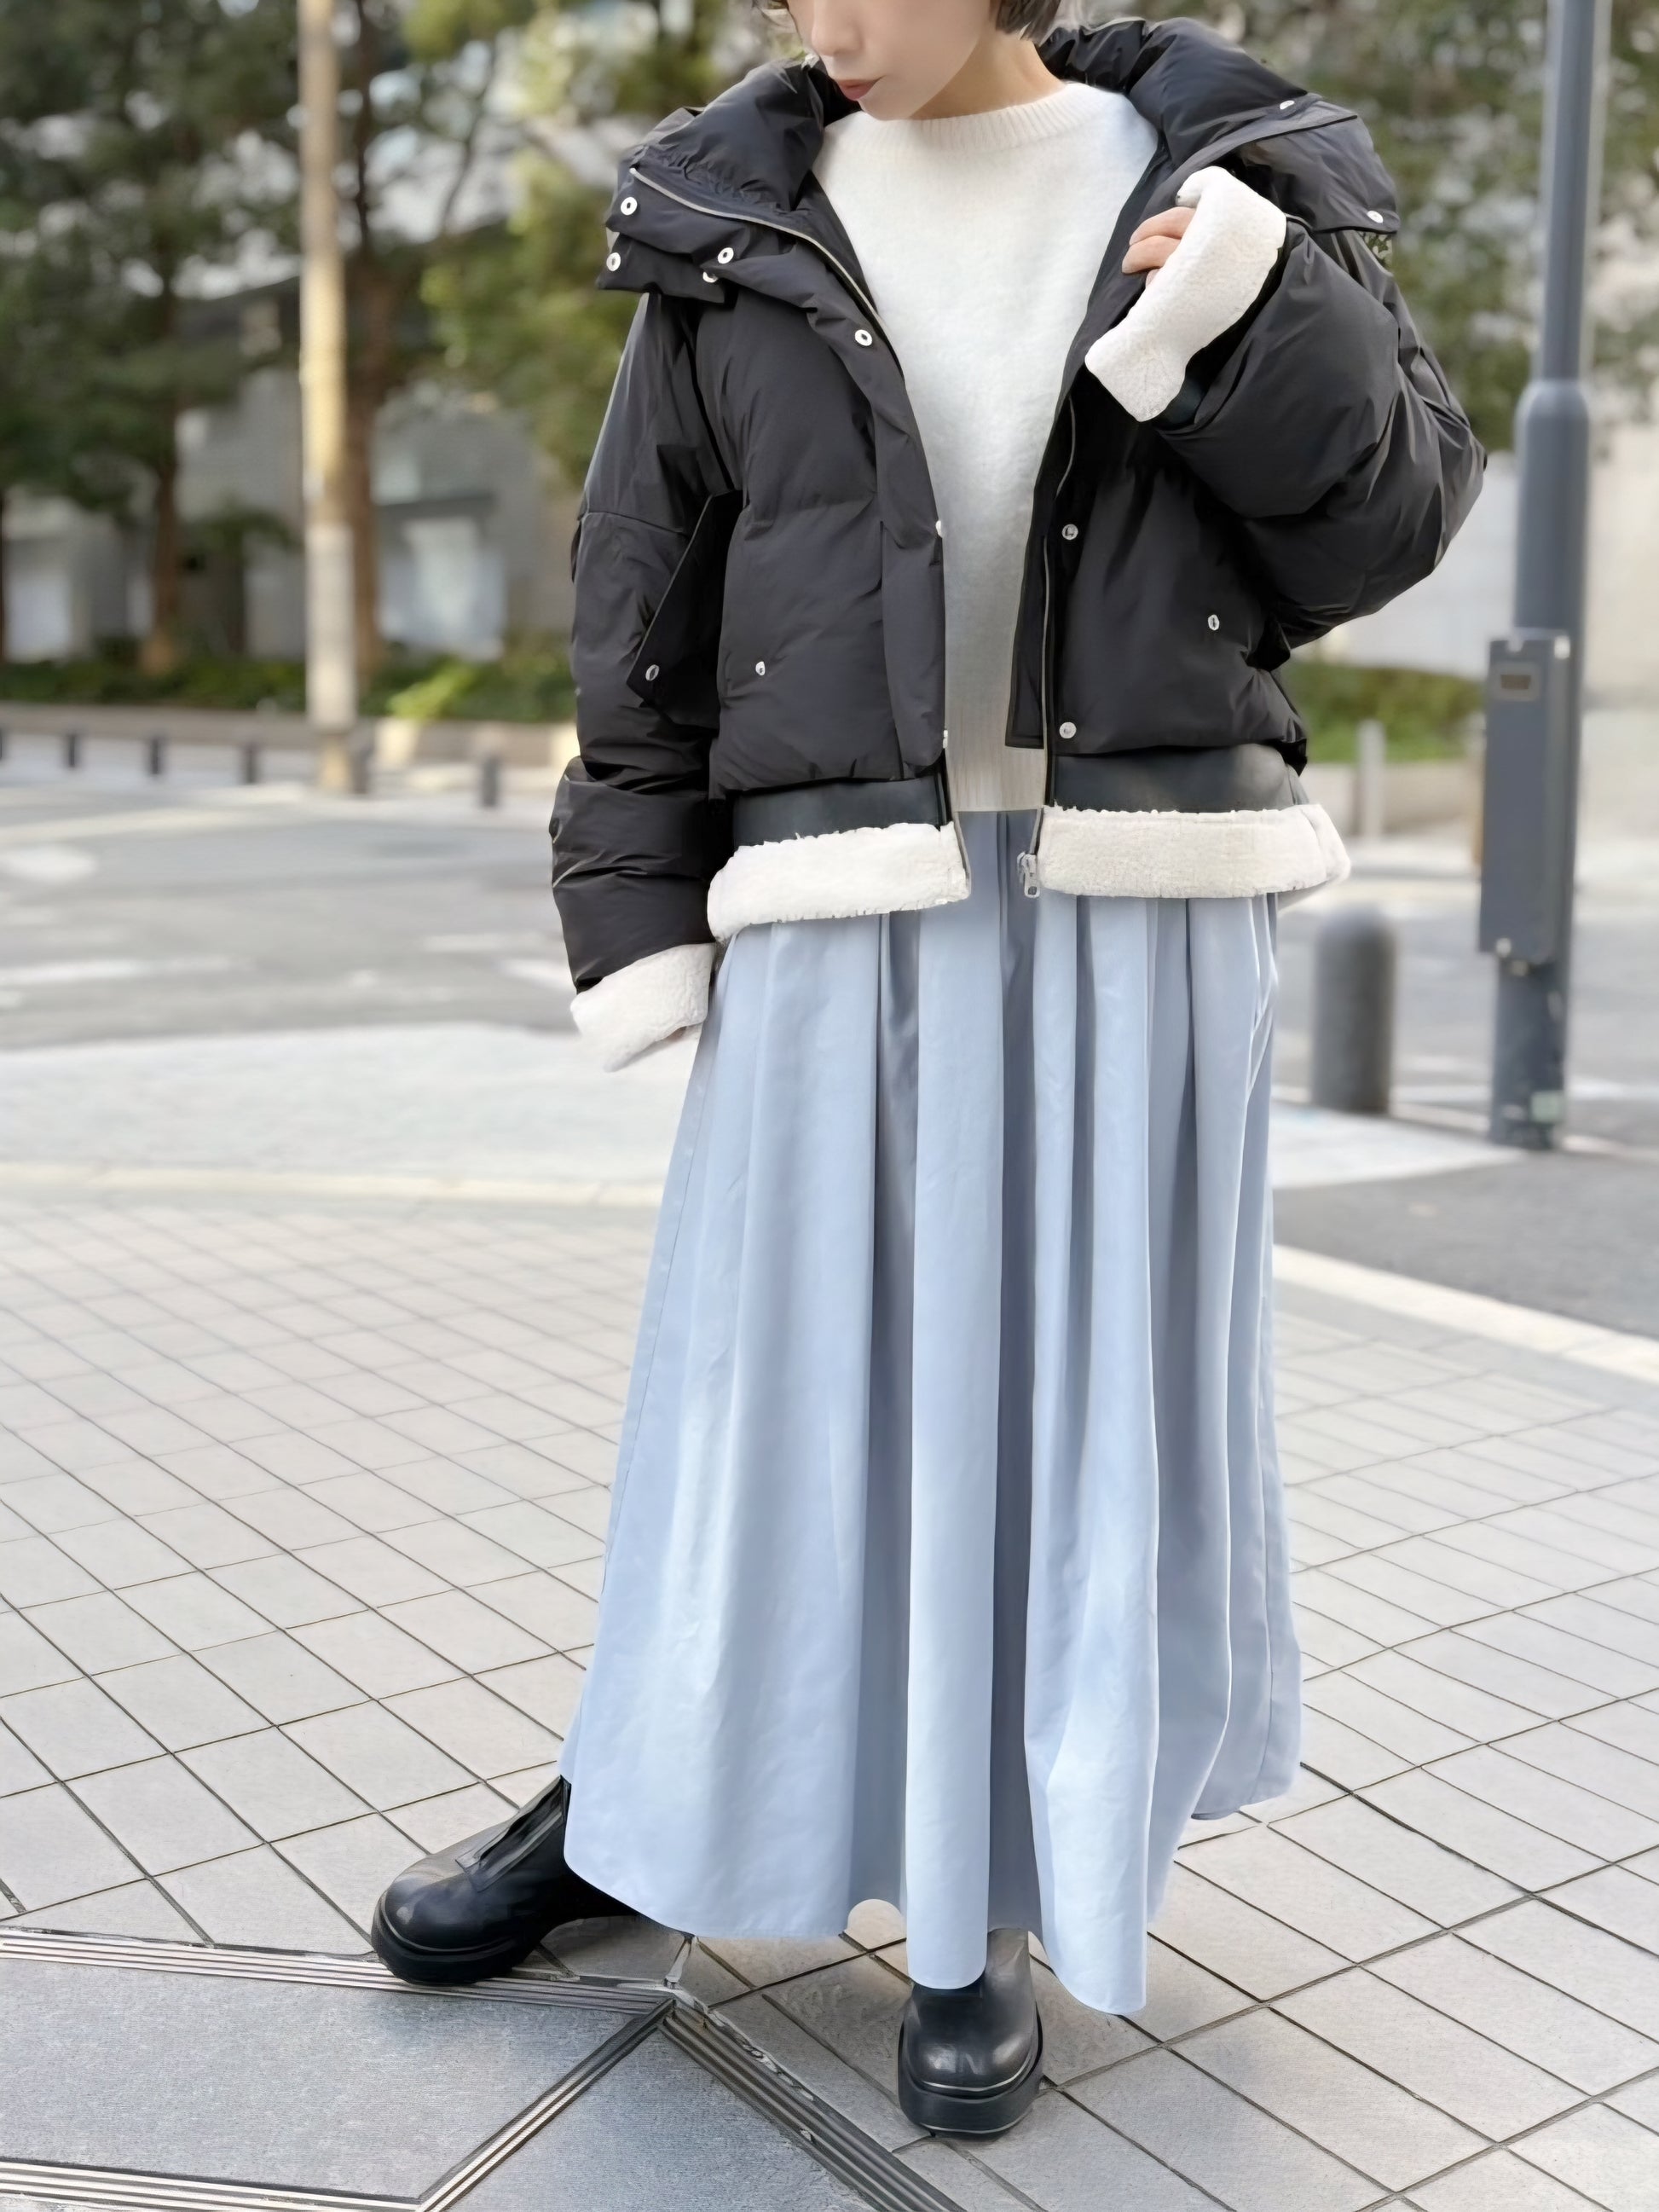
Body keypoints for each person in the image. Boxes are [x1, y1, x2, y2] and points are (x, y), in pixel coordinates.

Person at [373, 0, 1483, 2138]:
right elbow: (644, 592)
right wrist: (637, 907)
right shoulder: (734, 213)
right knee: (757, 1403)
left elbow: (1383, 530)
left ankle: (995, 1893)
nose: (824, 24)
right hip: (837, 889)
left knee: (1068, 1413)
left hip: (1133, 896)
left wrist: (1242, 314)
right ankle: (642, 1798)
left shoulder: (1225, 188)